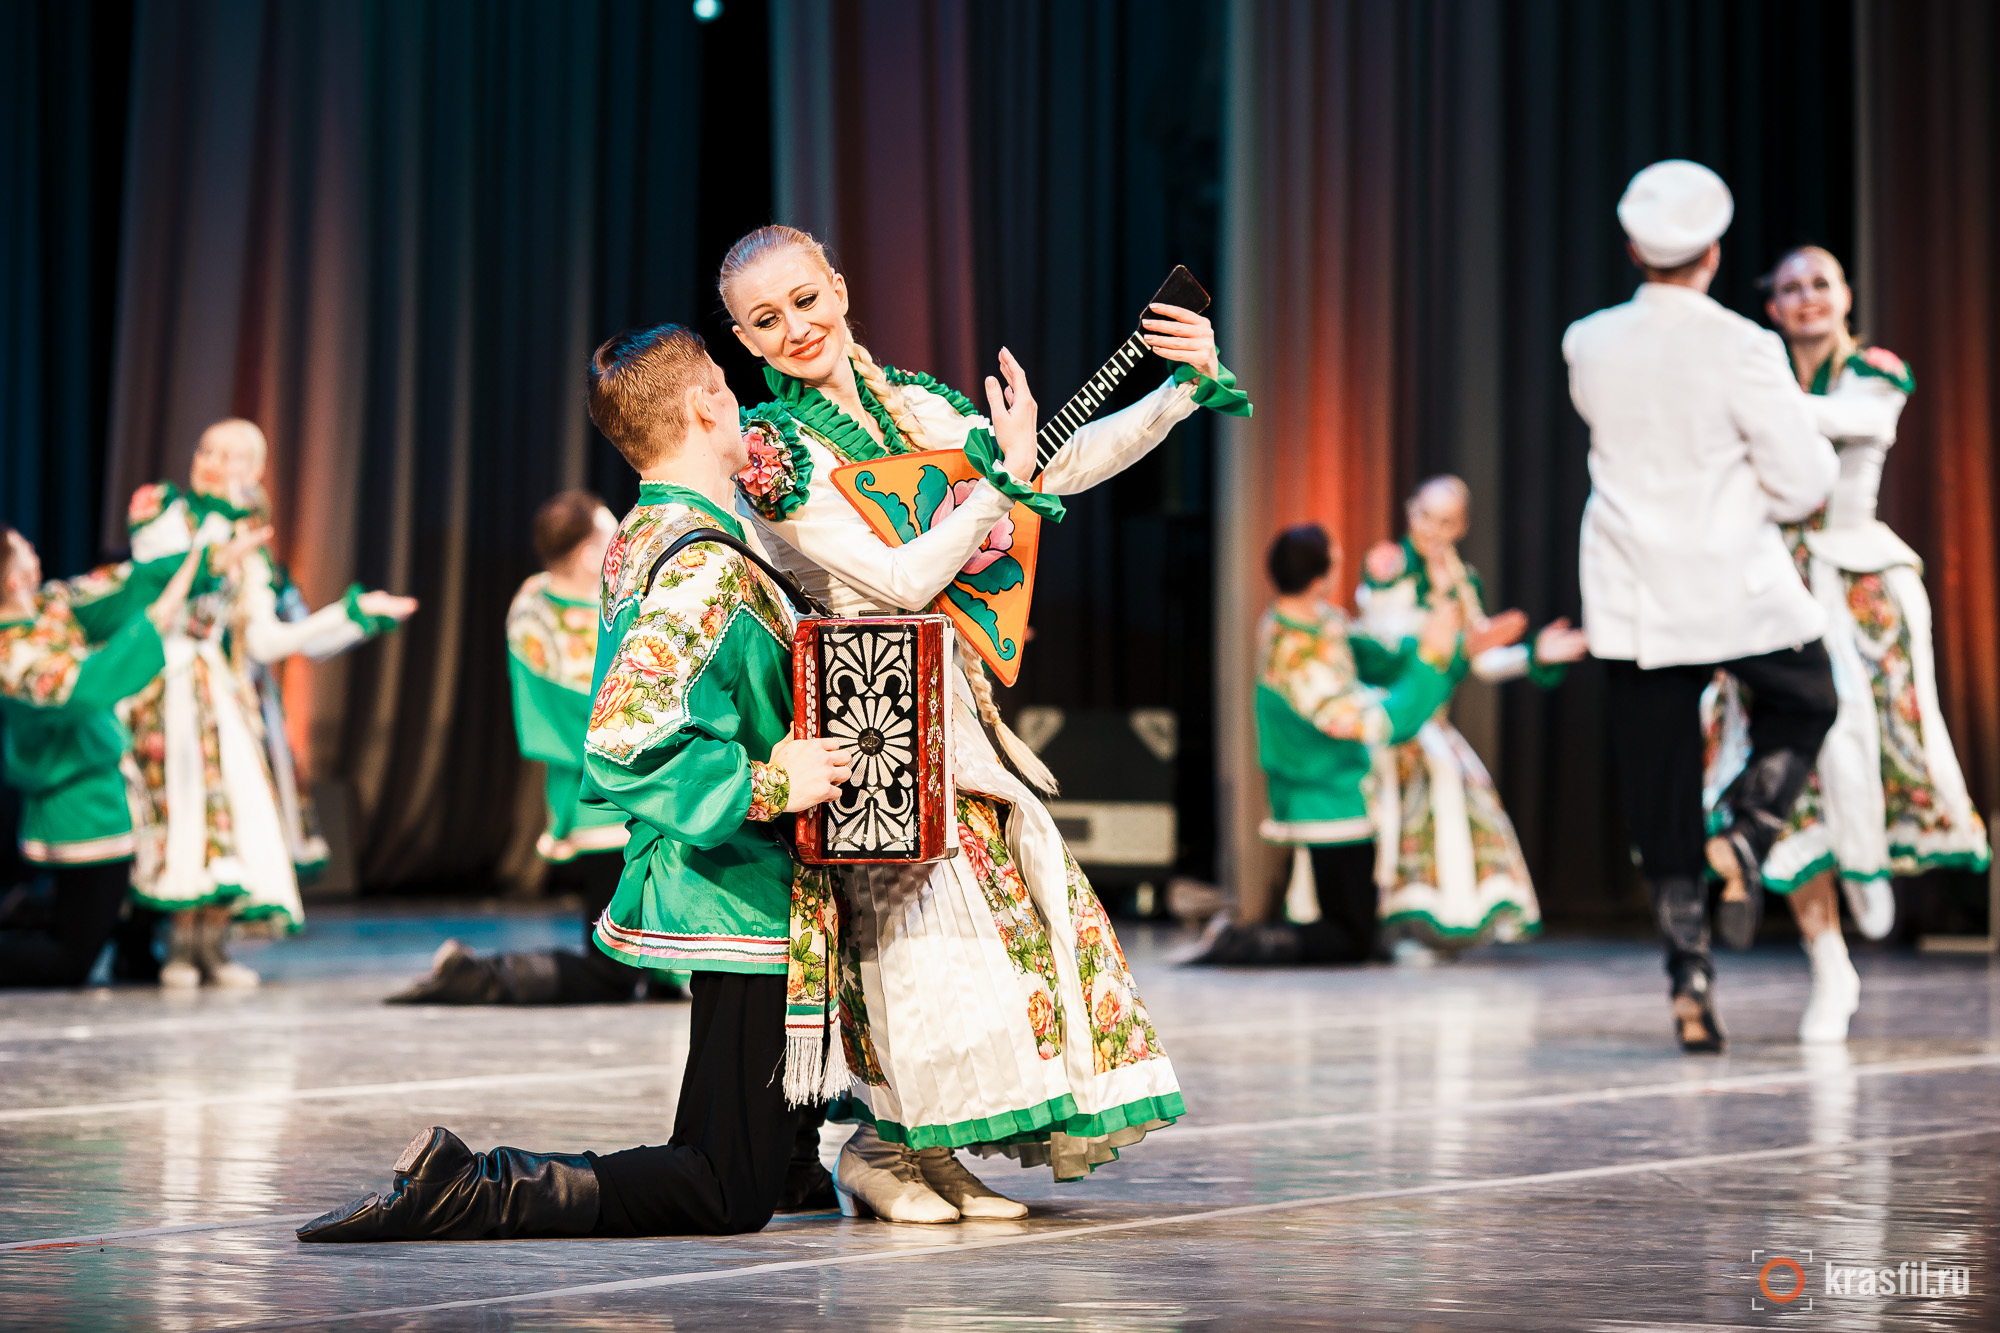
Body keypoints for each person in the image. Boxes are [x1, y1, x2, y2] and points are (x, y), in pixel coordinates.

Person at [719, 224, 1245, 1219]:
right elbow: (899, 574)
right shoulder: (772, 451)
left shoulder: (918, 405)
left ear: (837, 283)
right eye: (764, 318)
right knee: (910, 941)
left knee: (984, 940)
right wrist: (989, 491)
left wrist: (1177, 393)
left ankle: (933, 1154)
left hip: (955, 707)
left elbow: (1046, 464)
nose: (794, 326)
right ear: (744, 341)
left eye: (804, 298)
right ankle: (875, 1150)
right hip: (864, 719)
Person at [299, 324, 850, 1242]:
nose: (740, 396)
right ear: (705, 405)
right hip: (738, 881)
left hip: (745, 876)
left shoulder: (665, 528)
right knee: (724, 1188)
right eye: (724, 379)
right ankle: (476, 1186)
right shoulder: (702, 562)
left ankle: (798, 1158)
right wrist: (765, 782)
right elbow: (625, 732)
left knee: (776, 1166)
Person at [1563, 160, 1840, 1053]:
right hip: (1728, 579)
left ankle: (1689, 976)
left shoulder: (1588, 340)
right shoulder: (1745, 345)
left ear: (1633, 248)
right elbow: (1801, 484)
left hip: (1633, 588)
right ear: (1713, 254)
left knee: (1659, 788)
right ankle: (1748, 837)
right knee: (1809, 697)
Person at [1701, 245, 1991, 1042]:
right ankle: (1829, 958)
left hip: (1860, 589)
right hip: (1770, 592)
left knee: (1871, 751)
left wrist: (1749, 402)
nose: (1806, 298)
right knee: (1786, 775)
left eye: (1819, 284)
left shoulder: (1875, 370)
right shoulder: (1762, 372)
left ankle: (1866, 869)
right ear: (1772, 305)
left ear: (1845, 296)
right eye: (1789, 287)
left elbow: (1854, 422)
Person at [121, 419, 416, 988]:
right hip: (165, 675)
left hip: (219, 685)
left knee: (232, 809)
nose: (212, 461)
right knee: (181, 806)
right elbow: (155, 576)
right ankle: (177, 945)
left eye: (232, 456)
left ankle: (213, 945)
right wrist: (218, 544)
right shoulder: (163, 510)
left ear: (254, 472)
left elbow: (266, 640)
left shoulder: (253, 548)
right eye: (207, 449)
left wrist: (352, 616)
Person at [388, 489, 686, 1007]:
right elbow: (556, 707)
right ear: (590, 550)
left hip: (650, 776)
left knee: (651, 942)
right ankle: (477, 974)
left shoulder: (623, 594)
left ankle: (664, 973)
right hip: (600, 788)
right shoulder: (534, 610)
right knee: (611, 968)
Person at [1185, 523, 1493, 966]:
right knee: (1347, 937)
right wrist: (1432, 657)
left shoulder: (1319, 621)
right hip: (1322, 799)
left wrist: (1454, 645)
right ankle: (1242, 941)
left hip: (1344, 791)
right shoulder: (1293, 652)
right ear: (1320, 577)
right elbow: (1377, 722)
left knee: (1353, 926)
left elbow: (1380, 656)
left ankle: (1254, 937)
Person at [1355, 477, 1589, 956]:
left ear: (1460, 526)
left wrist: (1533, 653)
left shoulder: (1465, 581)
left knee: (1462, 798)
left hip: (1433, 722)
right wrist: (1459, 645)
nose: (1432, 531)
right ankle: (1391, 928)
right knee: (1415, 803)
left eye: (1445, 522)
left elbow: (1480, 661)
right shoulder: (1390, 565)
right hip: (1397, 713)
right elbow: (1386, 644)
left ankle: (1441, 929)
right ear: (1410, 512)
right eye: (1425, 516)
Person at [0, 527, 202, 986]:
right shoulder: (9, 652)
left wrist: (198, 557)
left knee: (95, 917)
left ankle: (137, 949)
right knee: (71, 958)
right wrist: (161, 615)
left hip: (100, 789)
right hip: (79, 805)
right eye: (25, 549)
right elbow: (87, 685)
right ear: (14, 577)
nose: (35, 551)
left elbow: (119, 589)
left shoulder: (52, 606)